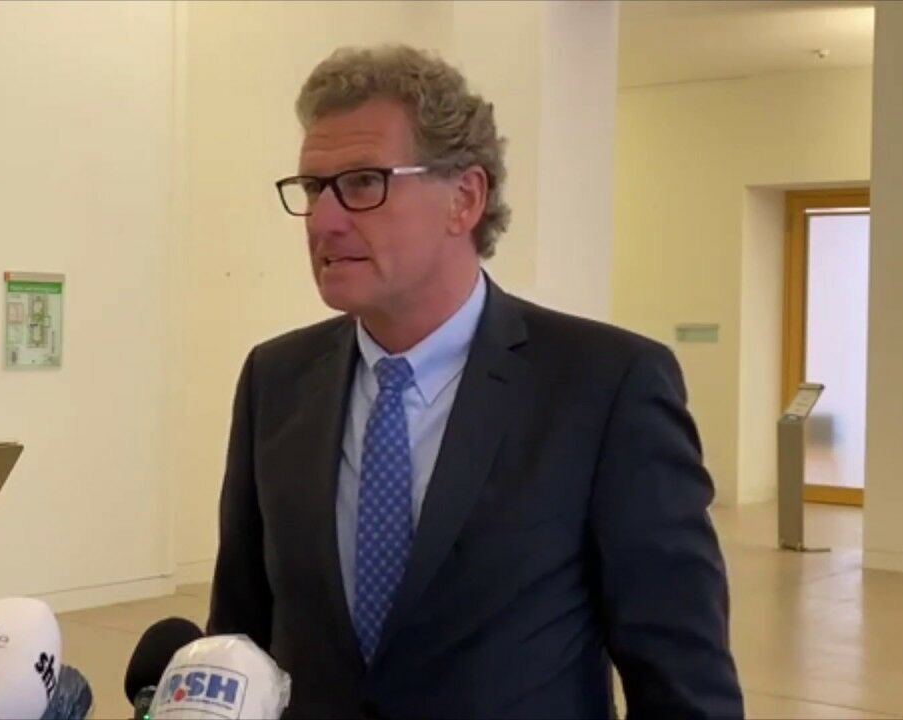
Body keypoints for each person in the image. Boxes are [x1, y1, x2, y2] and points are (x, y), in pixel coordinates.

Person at [207, 44, 743, 719]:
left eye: (363, 183)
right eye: (314, 188)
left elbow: (683, 677)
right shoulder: (276, 379)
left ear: (464, 198)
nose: (324, 220)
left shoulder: (607, 386)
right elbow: (238, 641)